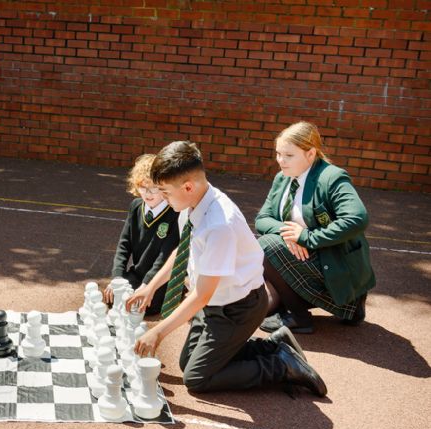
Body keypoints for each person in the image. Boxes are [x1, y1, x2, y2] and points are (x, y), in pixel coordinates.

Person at [126, 141, 327, 397]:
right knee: (188, 363)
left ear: (188, 186)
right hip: (215, 305)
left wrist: (158, 331)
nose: (164, 199)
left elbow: (202, 295)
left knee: (197, 378)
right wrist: (150, 286)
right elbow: (182, 250)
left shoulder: (218, 225)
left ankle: (281, 366)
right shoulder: (191, 203)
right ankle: (274, 345)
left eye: (166, 193)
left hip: (238, 308)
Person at [255, 121, 375, 334]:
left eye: (288, 155)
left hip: (333, 261)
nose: (280, 161)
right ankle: (334, 306)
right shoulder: (282, 178)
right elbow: (262, 219)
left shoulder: (332, 177)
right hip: (304, 258)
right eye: (278, 154)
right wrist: (291, 234)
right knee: (268, 249)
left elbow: (357, 218)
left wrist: (308, 237)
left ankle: (305, 317)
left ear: (310, 154)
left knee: (267, 245)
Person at [104, 154, 180, 315]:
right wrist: (117, 277)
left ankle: (179, 291)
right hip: (138, 273)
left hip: (160, 279)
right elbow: (124, 244)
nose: (148, 193)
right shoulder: (136, 206)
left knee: (142, 307)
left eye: (154, 188)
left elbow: (164, 256)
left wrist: (147, 285)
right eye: (143, 187)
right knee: (114, 299)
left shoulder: (175, 212)